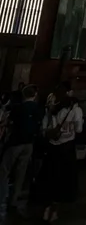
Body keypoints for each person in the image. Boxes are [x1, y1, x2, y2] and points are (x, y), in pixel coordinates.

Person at [32, 82, 83, 222]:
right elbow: (79, 129)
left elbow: (44, 128)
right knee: (63, 180)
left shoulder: (51, 109)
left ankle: (46, 207)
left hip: (52, 147)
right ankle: (54, 210)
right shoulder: (75, 110)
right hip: (66, 147)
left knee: (49, 177)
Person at [0, 85, 40, 217]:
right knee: (21, 173)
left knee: (5, 171)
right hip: (29, 143)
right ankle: (14, 200)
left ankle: (2, 197)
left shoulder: (18, 108)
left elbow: (9, 124)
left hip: (15, 142)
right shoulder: (38, 108)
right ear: (34, 95)